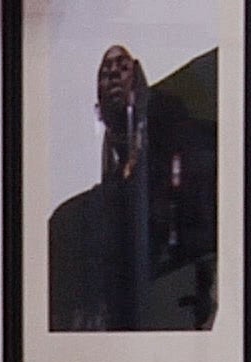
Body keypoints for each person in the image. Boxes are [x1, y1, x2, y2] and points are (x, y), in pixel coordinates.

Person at [47, 44, 219, 332]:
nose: (114, 74)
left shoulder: (172, 128)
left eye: (123, 67)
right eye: (105, 72)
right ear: (98, 109)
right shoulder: (93, 199)